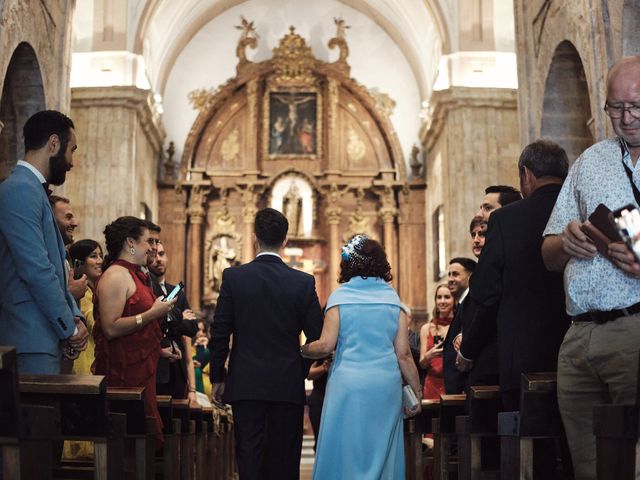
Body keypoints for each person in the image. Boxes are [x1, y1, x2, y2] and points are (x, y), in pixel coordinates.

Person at [541, 56, 640, 480]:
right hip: (578, 337)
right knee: (587, 465)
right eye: (615, 108)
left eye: (636, 106)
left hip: (632, 331)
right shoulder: (590, 161)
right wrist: (566, 242)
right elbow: (546, 253)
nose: (626, 117)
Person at [210, 207, 323, 480]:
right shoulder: (302, 282)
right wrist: (300, 366)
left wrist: (217, 377)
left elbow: (220, 331)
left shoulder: (234, 277)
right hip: (287, 384)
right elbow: (318, 336)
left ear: (254, 237)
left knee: (249, 456)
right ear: (285, 241)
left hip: (246, 383)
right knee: (284, 459)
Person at [301, 235, 422, 479]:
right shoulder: (392, 299)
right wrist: (417, 392)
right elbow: (404, 354)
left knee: (346, 446)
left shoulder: (339, 298)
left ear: (348, 263)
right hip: (384, 385)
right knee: (382, 447)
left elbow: (325, 346)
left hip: (348, 384)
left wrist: (301, 350)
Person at [0, 110, 88, 374]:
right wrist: (69, 326)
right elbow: (36, 269)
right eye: (71, 150)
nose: (72, 162)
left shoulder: (32, 190)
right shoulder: (20, 189)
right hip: (28, 338)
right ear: (53, 144)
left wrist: (74, 315)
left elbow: (59, 267)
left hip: (44, 335)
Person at [93, 216, 176, 445]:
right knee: (127, 442)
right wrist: (154, 312)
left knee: (141, 442)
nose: (152, 247)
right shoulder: (115, 275)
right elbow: (110, 328)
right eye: (147, 241)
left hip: (139, 370)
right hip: (122, 373)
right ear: (130, 243)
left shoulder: (133, 274)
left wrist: (159, 351)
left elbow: (135, 327)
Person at [149, 240, 198, 401]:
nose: (159, 259)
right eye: (155, 255)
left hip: (179, 369)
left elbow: (192, 328)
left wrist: (173, 321)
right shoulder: (148, 288)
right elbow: (156, 321)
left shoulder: (176, 291)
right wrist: (179, 318)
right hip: (158, 367)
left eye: (162, 254)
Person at [68, 239, 104, 375]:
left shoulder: (95, 290)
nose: (100, 261)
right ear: (79, 263)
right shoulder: (80, 293)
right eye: (93, 256)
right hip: (83, 366)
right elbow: (94, 324)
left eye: (100, 256)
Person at [441, 257, 476, 394]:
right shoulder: (462, 304)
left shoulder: (472, 302)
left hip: (466, 385)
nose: (450, 279)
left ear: (470, 276)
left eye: (455, 274)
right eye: (449, 274)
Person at [420, 284, 455, 400]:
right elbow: (422, 364)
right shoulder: (427, 328)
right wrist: (429, 355)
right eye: (439, 297)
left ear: (454, 300)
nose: (442, 301)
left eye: (447, 297)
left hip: (454, 384)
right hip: (432, 385)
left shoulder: (459, 327)